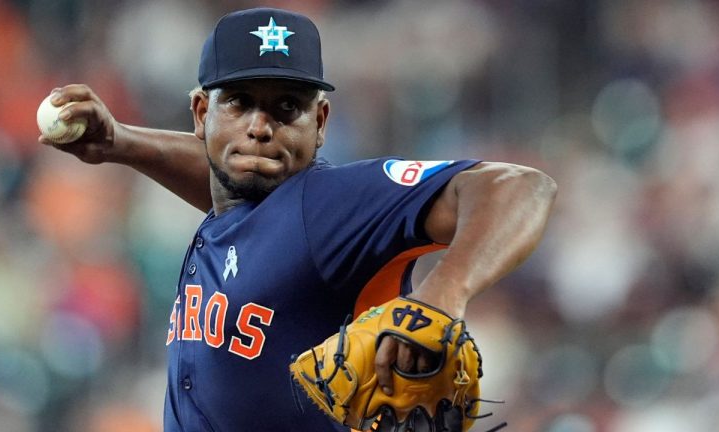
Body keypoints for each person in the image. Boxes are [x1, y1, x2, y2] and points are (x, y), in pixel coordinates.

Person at [39, 7, 557, 432]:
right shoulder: (250, 206)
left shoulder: (329, 204)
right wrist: (120, 143)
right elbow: (233, 184)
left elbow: (519, 187)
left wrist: (445, 291)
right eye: (239, 103)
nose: (260, 128)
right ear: (200, 113)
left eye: (286, 107)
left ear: (321, 122)